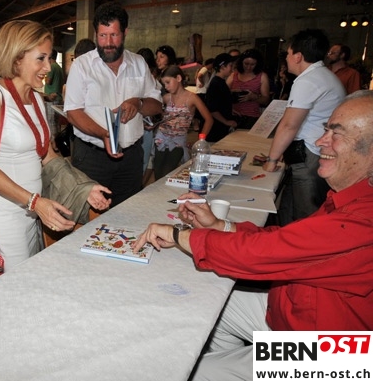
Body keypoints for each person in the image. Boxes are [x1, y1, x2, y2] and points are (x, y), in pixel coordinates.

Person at [133, 91, 373, 381]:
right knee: (209, 302)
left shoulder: (363, 222)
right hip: (297, 311)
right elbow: (286, 241)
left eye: (336, 133)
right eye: (326, 130)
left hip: (333, 354)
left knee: (193, 373)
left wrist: (178, 234)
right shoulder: (350, 197)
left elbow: (259, 254)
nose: (321, 141)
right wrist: (218, 225)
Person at [0, 20, 78, 271]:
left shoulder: (35, 98)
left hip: (30, 212)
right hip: (2, 215)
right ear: (17, 58)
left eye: (49, 58)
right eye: (41, 58)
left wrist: (83, 186)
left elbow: (46, 154)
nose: (48, 67)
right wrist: (34, 202)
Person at [64, 2, 163, 207]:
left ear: (125, 33)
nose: (108, 43)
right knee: (88, 214)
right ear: (95, 34)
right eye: (102, 35)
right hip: (92, 157)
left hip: (131, 157)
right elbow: (73, 112)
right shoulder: (82, 66)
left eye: (114, 35)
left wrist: (139, 103)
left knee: (127, 211)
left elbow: (156, 105)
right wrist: (104, 134)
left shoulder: (139, 63)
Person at [262, 29, 345, 226]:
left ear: (298, 56)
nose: (287, 58)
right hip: (310, 151)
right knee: (291, 205)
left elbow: (290, 125)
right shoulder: (322, 75)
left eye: (288, 53)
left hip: (311, 155)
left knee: (306, 212)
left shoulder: (309, 80)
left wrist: (272, 159)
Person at [153, 65, 213, 180]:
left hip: (178, 142)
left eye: (168, 82)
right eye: (164, 84)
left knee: (166, 174)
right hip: (161, 139)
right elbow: (156, 112)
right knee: (158, 174)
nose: (166, 86)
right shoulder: (166, 98)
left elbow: (209, 119)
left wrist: (200, 140)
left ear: (179, 78)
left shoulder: (192, 98)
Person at [226, 48, 270, 129]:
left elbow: (266, 99)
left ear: (257, 64)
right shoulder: (234, 75)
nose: (249, 67)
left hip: (251, 117)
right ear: (241, 62)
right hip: (233, 115)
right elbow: (222, 93)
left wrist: (254, 97)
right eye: (246, 64)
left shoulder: (262, 76)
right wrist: (232, 91)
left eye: (252, 64)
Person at [136, 47, 160, 185]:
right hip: (137, 127)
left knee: (145, 161)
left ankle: (138, 187)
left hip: (148, 129)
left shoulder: (155, 83)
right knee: (139, 162)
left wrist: (154, 121)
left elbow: (158, 108)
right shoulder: (134, 81)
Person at [204, 53, 238, 143]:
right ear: (222, 67)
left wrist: (230, 109)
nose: (232, 69)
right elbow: (212, 109)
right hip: (216, 129)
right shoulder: (216, 84)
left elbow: (221, 102)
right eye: (230, 66)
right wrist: (226, 121)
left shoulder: (221, 82)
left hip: (220, 126)